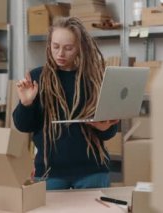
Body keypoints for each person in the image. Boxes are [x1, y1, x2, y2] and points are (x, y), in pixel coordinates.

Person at [12, 17, 119, 190]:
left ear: (80, 48)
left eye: (68, 48)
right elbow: (23, 126)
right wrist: (26, 103)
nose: (60, 54)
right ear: (49, 45)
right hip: (49, 173)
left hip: (92, 172)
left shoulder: (95, 79)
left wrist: (105, 128)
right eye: (55, 46)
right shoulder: (38, 77)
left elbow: (110, 130)